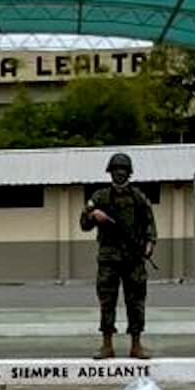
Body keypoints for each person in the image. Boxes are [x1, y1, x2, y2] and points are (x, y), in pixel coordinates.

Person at [80, 151, 157, 360]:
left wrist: (149, 243)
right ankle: (107, 345)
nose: (120, 174)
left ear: (129, 173)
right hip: (109, 259)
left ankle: (136, 345)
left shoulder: (138, 196)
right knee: (107, 301)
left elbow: (149, 222)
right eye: (116, 170)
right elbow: (83, 224)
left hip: (133, 258)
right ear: (110, 173)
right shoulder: (100, 197)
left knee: (136, 302)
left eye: (123, 170)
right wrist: (93, 215)